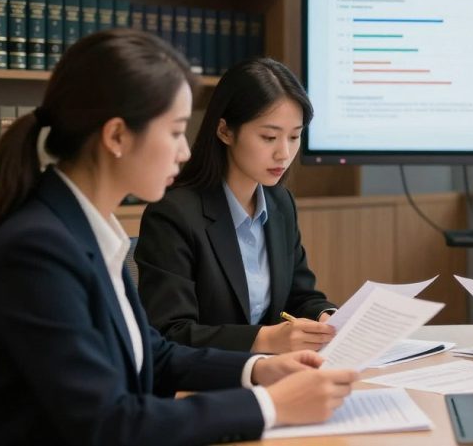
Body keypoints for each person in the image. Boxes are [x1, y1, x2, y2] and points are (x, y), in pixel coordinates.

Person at [0, 30, 356, 445]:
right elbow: (108, 424)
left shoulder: (86, 230)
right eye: (176, 131)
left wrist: (257, 369)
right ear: (117, 137)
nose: (184, 152)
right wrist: (270, 405)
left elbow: (154, 354)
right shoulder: (37, 249)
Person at [135, 58, 336, 354]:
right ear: (225, 131)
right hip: (210, 377)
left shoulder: (280, 204)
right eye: (269, 137)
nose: (284, 153)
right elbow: (170, 333)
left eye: (295, 136)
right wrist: (265, 340)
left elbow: (300, 296)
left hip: (277, 371)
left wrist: (326, 318)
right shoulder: (173, 214)